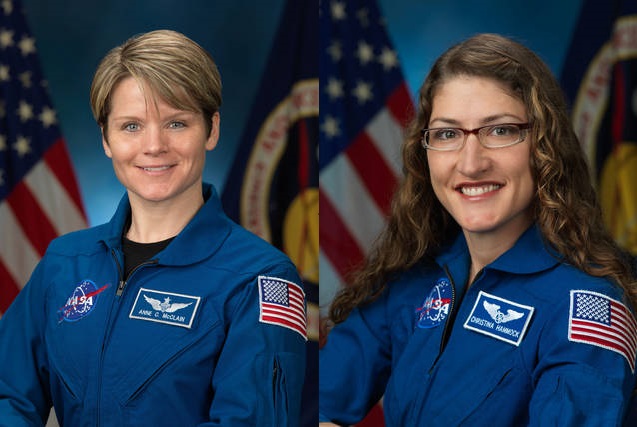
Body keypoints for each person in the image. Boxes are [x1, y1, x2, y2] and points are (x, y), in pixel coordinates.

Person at [319, 33, 637, 426]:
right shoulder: (414, 277)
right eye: (448, 134)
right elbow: (318, 402)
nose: (470, 164)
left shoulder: (587, 307)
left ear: (545, 145)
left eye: (500, 130)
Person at [0, 29, 307, 426]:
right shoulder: (65, 263)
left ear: (211, 130)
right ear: (106, 139)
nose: (154, 145)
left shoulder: (261, 279)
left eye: (176, 124)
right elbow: (7, 393)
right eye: (131, 126)